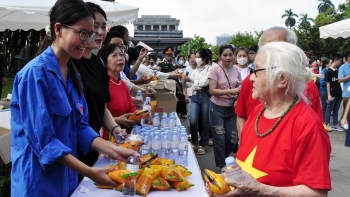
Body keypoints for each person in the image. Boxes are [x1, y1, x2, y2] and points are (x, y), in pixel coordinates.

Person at [10, 0, 137, 196]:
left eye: (91, 34)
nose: (87, 41)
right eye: (82, 33)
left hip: (66, 180)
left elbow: (79, 126)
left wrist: (114, 150)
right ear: (59, 29)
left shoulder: (72, 73)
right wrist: (90, 172)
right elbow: (45, 143)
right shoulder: (35, 75)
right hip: (38, 183)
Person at [215, 41, 331, 196]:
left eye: (257, 71)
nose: (250, 78)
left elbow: (316, 193)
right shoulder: (258, 111)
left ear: (281, 79)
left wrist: (261, 190)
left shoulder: (308, 126)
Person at [235, 26, 323, 136]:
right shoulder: (251, 82)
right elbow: (241, 116)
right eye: (265, 49)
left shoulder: (308, 88)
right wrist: (247, 143)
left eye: (278, 49)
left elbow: (315, 132)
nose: (270, 54)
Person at [208, 44, 241, 170]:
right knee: (220, 138)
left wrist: (237, 98)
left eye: (230, 54)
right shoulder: (215, 70)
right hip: (217, 108)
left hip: (232, 109)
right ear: (219, 56)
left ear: (233, 55)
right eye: (225, 55)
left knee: (232, 139)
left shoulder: (237, 70)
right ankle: (222, 166)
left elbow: (240, 88)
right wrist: (231, 92)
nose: (228, 57)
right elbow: (212, 91)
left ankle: (225, 158)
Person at [97, 44, 138, 134]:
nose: (120, 58)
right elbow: (98, 117)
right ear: (105, 62)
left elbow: (132, 109)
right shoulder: (101, 85)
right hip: (106, 136)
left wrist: (142, 115)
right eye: (114, 55)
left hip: (122, 134)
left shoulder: (122, 84)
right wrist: (119, 120)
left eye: (121, 54)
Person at [184, 48, 213, 155]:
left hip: (205, 95)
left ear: (204, 58)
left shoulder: (209, 69)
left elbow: (204, 83)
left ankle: (202, 144)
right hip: (195, 95)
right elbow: (189, 85)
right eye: (195, 57)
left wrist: (191, 80)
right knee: (193, 120)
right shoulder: (195, 71)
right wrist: (184, 79)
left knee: (205, 122)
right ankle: (195, 140)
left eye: (198, 57)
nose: (196, 59)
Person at [325, 54, 344, 131]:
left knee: (336, 109)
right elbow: (328, 83)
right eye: (340, 61)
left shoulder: (338, 70)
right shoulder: (328, 71)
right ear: (335, 60)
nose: (340, 62)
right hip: (332, 94)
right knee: (329, 109)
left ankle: (335, 124)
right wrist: (329, 94)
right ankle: (327, 124)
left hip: (339, 93)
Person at [338, 51, 350, 119]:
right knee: (347, 114)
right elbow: (339, 80)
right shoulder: (343, 67)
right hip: (347, 94)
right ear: (348, 57)